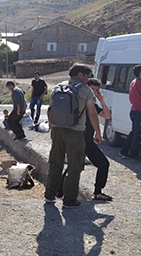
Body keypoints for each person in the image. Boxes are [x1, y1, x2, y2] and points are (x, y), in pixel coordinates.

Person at [44, 63, 101, 209]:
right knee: (75, 165)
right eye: (87, 76)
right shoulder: (85, 90)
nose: (88, 79)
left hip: (57, 130)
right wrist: (98, 132)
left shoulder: (59, 87)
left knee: (55, 163)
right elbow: (92, 113)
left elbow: (50, 110)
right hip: (75, 132)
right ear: (80, 75)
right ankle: (69, 200)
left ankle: (50, 195)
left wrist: (52, 126)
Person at [58, 78, 113, 201]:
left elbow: (107, 115)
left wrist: (101, 99)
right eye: (92, 89)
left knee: (103, 164)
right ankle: (60, 192)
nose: (94, 92)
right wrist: (98, 133)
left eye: (96, 90)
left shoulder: (93, 104)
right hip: (78, 139)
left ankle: (98, 192)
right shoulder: (79, 103)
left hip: (88, 142)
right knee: (73, 167)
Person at [120, 64, 141, 159]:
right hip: (140, 111)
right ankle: (134, 154)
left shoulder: (133, 82)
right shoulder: (140, 83)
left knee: (133, 132)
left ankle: (124, 151)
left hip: (134, 110)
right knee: (138, 134)